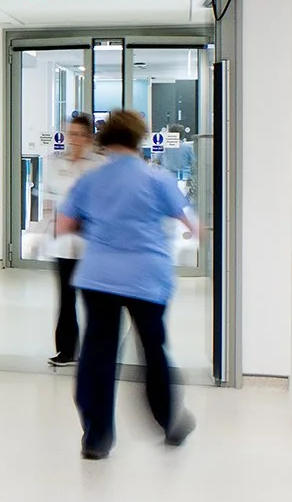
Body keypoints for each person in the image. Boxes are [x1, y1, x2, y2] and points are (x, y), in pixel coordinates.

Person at [57, 108, 199, 459]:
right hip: (146, 277)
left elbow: (63, 227)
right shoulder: (158, 178)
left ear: (106, 139)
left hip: (99, 276)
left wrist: (95, 226)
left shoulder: (90, 180)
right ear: (139, 138)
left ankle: (96, 438)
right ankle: (169, 422)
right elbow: (193, 225)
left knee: (97, 354)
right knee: (153, 350)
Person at [39, 111, 100, 366]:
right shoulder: (55, 164)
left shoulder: (98, 165)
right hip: (63, 243)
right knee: (66, 298)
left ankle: (95, 352)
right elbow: (48, 199)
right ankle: (66, 351)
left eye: (78, 134)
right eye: (70, 134)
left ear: (88, 137)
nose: (73, 139)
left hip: (91, 243)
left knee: (94, 301)